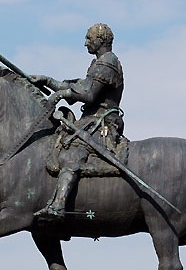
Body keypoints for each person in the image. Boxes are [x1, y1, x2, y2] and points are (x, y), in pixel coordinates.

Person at [31, 23, 125, 220]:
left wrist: (61, 94)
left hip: (101, 124)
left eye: (89, 39)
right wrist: (48, 81)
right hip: (91, 121)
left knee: (73, 153)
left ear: (101, 41)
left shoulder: (107, 62)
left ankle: (58, 205)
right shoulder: (99, 63)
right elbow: (81, 85)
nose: (85, 43)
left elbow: (89, 95)